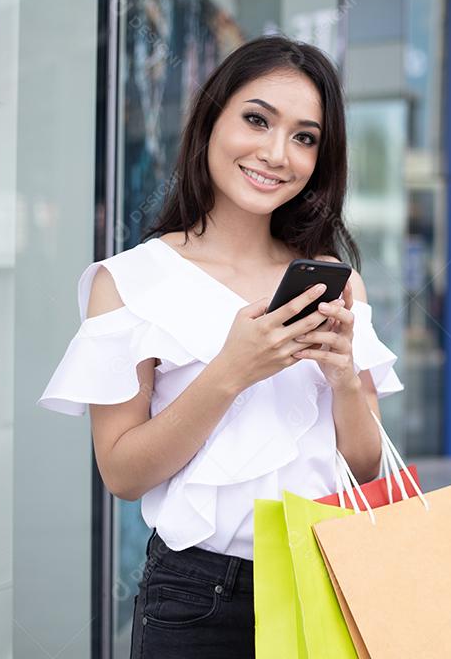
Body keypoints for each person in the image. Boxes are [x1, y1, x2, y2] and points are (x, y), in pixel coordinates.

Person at [36, 36, 403, 658]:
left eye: (304, 137)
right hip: (199, 595)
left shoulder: (332, 280)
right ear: (210, 121)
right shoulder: (126, 282)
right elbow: (123, 474)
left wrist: (343, 379)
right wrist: (232, 370)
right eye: (256, 120)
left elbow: (368, 467)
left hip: (329, 574)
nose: (275, 153)